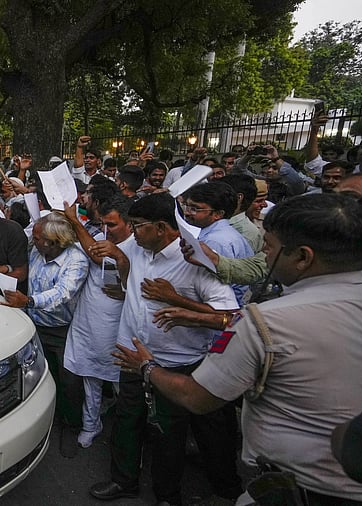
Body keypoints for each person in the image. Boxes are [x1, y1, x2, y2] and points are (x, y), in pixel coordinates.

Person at [114, 193, 362, 505]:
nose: (262, 253)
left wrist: (147, 366)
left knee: (174, 435)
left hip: (301, 487)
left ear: (303, 257)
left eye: (269, 246)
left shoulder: (265, 323)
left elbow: (196, 395)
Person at [89, 193, 239, 505]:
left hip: (175, 364)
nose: (132, 232)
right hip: (132, 355)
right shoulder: (138, 247)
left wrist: (178, 300)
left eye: (138, 226)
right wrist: (121, 261)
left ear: (161, 227)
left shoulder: (194, 260)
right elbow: (131, 285)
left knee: (167, 433)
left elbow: (231, 319)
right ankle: (124, 481)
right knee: (127, 420)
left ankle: (167, 495)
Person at [1, 213, 89, 431]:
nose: (33, 240)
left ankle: (71, 425)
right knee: (39, 376)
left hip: (63, 331)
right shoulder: (38, 251)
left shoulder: (76, 260)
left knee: (69, 381)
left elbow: (62, 294)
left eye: (38, 238)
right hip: (35, 325)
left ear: (54, 242)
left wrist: (28, 301)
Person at [63, 196, 138, 449]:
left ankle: (131, 436)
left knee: (122, 385)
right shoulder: (104, 239)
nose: (107, 230)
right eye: (104, 224)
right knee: (89, 377)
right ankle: (90, 424)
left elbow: (96, 255)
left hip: (118, 329)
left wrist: (74, 220)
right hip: (87, 322)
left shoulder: (137, 247)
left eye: (113, 225)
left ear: (130, 224)